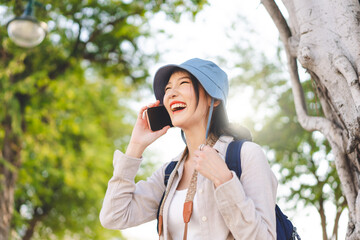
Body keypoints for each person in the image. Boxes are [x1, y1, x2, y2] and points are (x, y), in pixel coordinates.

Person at [100, 58, 278, 240]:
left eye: (183, 83)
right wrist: (136, 146)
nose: (170, 94)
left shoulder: (246, 155)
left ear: (213, 98)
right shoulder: (168, 174)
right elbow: (113, 217)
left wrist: (224, 181)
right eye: (167, 89)